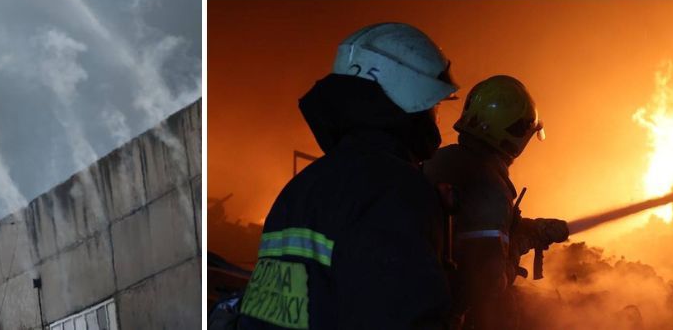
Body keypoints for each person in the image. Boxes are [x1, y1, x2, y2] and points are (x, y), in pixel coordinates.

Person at [235, 23, 459, 329]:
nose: (435, 116)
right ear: (409, 95)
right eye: (432, 105)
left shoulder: (300, 188)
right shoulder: (395, 190)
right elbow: (404, 315)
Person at [423, 76, 570, 330]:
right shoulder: (490, 187)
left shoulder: (442, 160)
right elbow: (488, 283)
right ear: (514, 135)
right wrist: (515, 249)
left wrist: (529, 228)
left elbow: (466, 227)